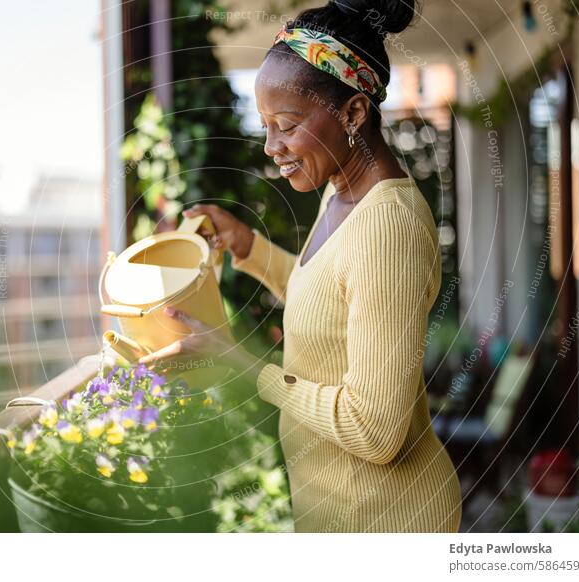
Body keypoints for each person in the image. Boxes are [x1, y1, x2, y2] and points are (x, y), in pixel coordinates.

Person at [139, 0, 462, 532]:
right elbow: (329, 301)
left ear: (353, 113)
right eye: (266, 126)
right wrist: (248, 247)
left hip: (387, 522)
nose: (272, 148)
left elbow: (376, 431)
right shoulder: (343, 192)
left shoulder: (388, 226)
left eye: (286, 125)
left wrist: (247, 367)